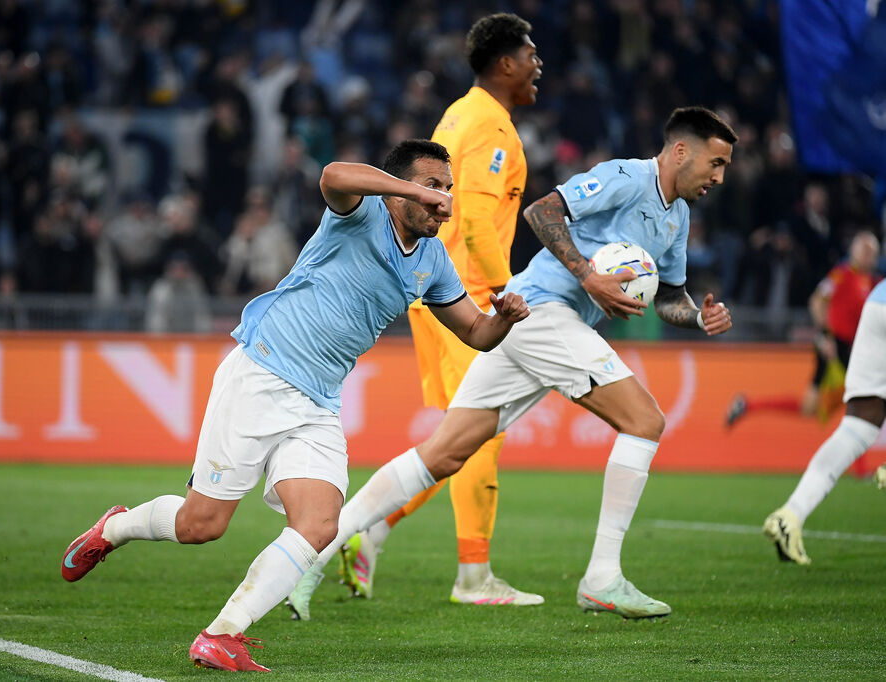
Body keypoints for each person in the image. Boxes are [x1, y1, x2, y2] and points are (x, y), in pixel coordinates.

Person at [59, 139, 530, 672]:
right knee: (201, 525)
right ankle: (115, 528)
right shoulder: (361, 213)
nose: (443, 200)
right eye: (431, 187)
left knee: (320, 524)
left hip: (319, 403)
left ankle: (222, 634)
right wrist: (409, 188)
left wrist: (504, 319)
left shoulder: (433, 261)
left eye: (447, 188)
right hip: (262, 372)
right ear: (399, 191)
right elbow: (333, 175)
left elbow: (475, 331)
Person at [289, 106, 737, 620]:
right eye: (716, 163)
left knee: (443, 453)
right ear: (681, 151)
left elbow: (669, 296)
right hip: (543, 311)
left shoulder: (677, 217)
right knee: (645, 421)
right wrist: (589, 277)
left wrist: (698, 317)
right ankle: (602, 578)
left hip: (527, 321)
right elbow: (542, 212)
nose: (719, 177)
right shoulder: (626, 177)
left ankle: (313, 556)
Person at [336, 12, 544, 609]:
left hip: (440, 289)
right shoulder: (489, 125)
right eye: (531, 56)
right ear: (505, 63)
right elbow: (472, 219)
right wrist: (502, 293)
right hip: (467, 298)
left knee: (460, 436)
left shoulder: (461, 114)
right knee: (480, 431)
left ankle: (370, 526)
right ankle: (472, 576)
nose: (538, 66)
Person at [763, 279, 886, 564]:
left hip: (876, 305)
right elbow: (819, 299)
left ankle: (790, 516)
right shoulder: (843, 275)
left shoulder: (857, 277)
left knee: (859, 424)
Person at [726, 231, 881, 427]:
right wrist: (825, 336)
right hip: (835, 347)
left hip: (852, 348)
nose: (868, 255)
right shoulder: (841, 275)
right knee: (861, 399)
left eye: (871, 251)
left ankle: (749, 405)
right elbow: (817, 301)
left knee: (812, 407)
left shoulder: (873, 282)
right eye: (864, 250)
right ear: (853, 251)